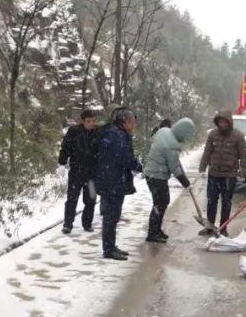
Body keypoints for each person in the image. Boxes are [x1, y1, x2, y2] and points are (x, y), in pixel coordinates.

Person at [93, 107, 142, 260]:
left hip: (113, 179)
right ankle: (108, 249)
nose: (135, 124)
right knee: (111, 216)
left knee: (113, 215)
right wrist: (137, 166)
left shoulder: (118, 133)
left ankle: (111, 245)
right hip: (111, 181)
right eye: (133, 121)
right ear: (125, 122)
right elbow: (124, 157)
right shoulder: (116, 135)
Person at [143, 117, 196, 242]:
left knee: (163, 202)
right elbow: (175, 168)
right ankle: (152, 233)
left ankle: (156, 230)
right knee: (159, 203)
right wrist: (186, 183)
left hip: (151, 173)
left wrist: (183, 175)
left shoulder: (164, 131)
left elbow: (175, 162)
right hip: (157, 175)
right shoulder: (172, 145)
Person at [197, 109, 246, 236]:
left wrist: (242, 171)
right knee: (211, 201)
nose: (222, 124)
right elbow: (207, 152)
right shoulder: (213, 134)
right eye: (220, 121)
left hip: (229, 176)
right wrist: (202, 169)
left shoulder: (238, 136)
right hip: (214, 173)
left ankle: (223, 228)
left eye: (225, 122)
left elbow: (244, 155)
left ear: (229, 122)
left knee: (226, 202)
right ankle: (209, 226)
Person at [57, 108, 99, 234]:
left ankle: (87, 224)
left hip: (92, 172)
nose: (91, 123)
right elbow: (65, 147)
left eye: (93, 121)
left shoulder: (98, 133)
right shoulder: (74, 132)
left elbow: (104, 150)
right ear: (82, 121)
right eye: (88, 121)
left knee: (91, 199)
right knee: (72, 198)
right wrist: (62, 163)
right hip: (76, 170)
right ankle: (68, 224)